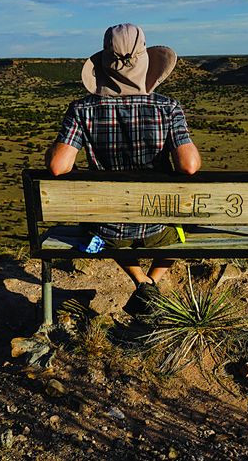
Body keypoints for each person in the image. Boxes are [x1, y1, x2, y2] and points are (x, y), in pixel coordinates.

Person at [45, 23, 201, 316]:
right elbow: (189, 166)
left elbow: (58, 166)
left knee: (107, 228)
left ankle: (141, 281)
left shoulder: (82, 110)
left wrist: (50, 151)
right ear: (144, 62)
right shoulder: (168, 108)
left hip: (108, 227)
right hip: (159, 224)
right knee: (183, 229)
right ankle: (150, 282)